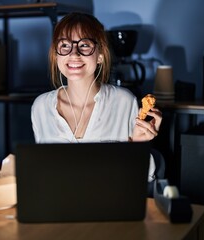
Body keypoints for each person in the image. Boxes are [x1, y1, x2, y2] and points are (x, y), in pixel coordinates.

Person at [31, 12, 162, 182]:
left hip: (111, 204)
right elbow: (44, 172)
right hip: (59, 205)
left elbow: (142, 178)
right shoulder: (40, 107)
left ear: (100, 55)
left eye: (84, 45)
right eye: (65, 45)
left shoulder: (124, 101)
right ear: (56, 55)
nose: (74, 54)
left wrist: (138, 145)